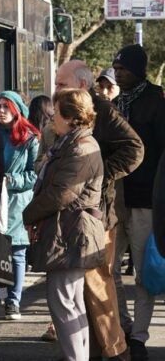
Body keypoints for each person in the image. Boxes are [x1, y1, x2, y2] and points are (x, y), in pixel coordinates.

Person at [50, 59, 144, 360]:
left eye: (61, 84)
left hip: (97, 217)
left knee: (97, 287)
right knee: (81, 292)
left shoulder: (102, 111)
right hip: (76, 217)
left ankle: (117, 351)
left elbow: (134, 149)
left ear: (80, 85)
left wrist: (101, 174)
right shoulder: (69, 111)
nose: (56, 89)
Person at [24, 89, 104, 361]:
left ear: (70, 117)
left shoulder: (80, 146)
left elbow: (62, 193)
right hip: (72, 231)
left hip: (71, 232)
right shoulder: (74, 142)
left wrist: (28, 215)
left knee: (64, 302)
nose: (51, 119)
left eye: (55, 113)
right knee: (72, 302)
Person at [111, 44, 165, 361]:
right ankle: (123, 325)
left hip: (147, 200)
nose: (118, 73)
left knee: (144, 274)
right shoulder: (116, 103)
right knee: (109, 269)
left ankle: (140, 337)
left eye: (124, 69)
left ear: (138, 70)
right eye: (116, 68)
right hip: (117, 200)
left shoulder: (156, 102)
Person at [0, 91, 39, 321]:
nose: (1, 111)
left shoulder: (29, 138)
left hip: (16, 203)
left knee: (16, 252)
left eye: (6, 107)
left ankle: (13, 301)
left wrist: (13, 180)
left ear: (17, 110)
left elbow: (35, 174)